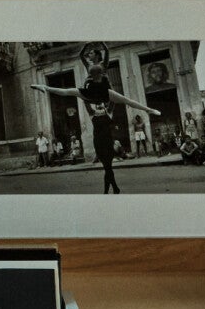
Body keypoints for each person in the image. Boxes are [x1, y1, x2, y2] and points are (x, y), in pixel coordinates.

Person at [42, 45, 160, 198]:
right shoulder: (93, 114)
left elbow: (118, 101)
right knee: (107, 168)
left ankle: (109, 191)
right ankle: (113, 189)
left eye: (92, 53)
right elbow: (85, 100)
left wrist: (103, 46)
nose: (99, 104)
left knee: (108, 168)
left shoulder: (107, 111)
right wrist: (84, 94)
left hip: (107, 140)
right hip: (99, 141)